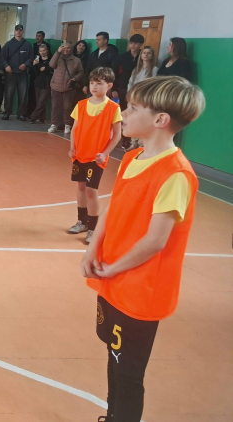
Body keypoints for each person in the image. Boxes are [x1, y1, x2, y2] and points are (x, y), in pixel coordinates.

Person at [81, 76, 205, 422]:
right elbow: (112, 208)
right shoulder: (133, 157)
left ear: (160, 120)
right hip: (114, 278)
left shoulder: (176, 174)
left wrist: (115, 267)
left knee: (129, 374)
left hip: (140, 289)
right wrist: (93, 248)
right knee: (114, 355)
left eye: (133, 108)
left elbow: (155, 241)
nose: (124, 113)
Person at [67, 67, 122, 245]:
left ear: (109, 85)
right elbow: (74, 129)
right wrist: (72, 148)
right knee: (81, 187)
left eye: (99, 83)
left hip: (96, 157)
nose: (94, 87)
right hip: (80, 154)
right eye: (92, 83)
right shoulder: (81, 105)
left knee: (92, 190)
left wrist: (105, 153)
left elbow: (117, 135)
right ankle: (81, 222)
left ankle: (93, 227)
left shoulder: (113, 108)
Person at [126, 46, 158, 151]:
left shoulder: (154, 69)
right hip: (133, 98)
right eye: (144, 53)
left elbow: (152, 85)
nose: (146, 55)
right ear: (141, 55)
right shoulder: (136, 69)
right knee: (133, 120)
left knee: (142, 121)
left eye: (149, 53)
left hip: (144, 100)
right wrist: (130, 95)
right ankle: (133, 143)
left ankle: (141, 144)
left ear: (152, 56)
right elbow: (130, 83)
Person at [0, 24, 34, 120]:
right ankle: (7, 112)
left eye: (20, 30)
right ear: (14, 31)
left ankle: (21, 113)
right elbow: (2, 58)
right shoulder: (8, 44)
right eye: (17, 30)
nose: (18, 32)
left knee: (23, 95)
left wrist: (26, 64)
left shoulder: (27, 45)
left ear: (22, 32)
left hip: (23, 74)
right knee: (9, 94)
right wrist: (6, 66)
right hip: (10, 74)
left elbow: (31, 58)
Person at [48, 41, 84, 134]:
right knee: (55, 106)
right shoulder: (58, 57)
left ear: (71, 49)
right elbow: (51, 65)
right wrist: (58, 52)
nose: (66, 49)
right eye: (64, 47)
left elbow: (81, 72)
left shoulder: (76, 60)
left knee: (67, 107)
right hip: (56, 86)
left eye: (68, 48)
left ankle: (67, 125)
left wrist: (74, 79)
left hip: (69, 87)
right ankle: (54, 124)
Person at [111, 34, 144, 111]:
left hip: (136, 88)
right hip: (121, 87)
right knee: (119, 110)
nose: (133, 46)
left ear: (141, 45)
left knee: (132, 109)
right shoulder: (122, 57)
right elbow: (114, 73)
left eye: (136, 43)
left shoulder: (143, 57)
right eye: (131, 43)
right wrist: (113, 89)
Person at [27, 31, 52, 116]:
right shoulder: (34, 46)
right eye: (36, 36)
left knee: (42, 100)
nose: (37, 37)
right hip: (36, 76)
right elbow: (36, 66)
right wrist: (35, 66)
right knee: (34, 96)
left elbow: (51, 66)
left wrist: (44, 67)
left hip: (46, 79)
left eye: (39, 36)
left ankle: (36, 116)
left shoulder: (49, 54)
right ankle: (32, 113)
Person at [29, 43, 54, 124]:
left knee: (41, 102)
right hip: (38, 83)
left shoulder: (51, 60)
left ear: (47, 51)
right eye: (40, 51)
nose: (42, 52)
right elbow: (37, 73)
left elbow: (52, 69)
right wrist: (34, 65)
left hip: (47, 83)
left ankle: (33, 117)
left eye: (44, 50)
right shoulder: (37, 60)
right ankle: (42, 118)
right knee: (39, 102)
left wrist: (45, 68)